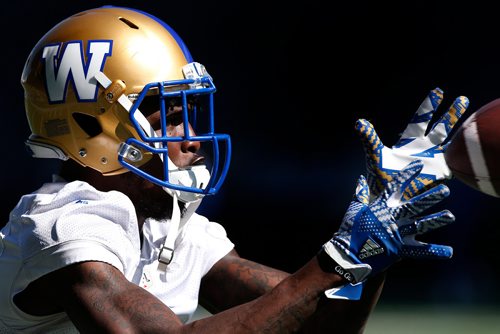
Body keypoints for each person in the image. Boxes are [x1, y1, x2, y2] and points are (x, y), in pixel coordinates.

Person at [0, 5, 467, 333]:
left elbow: (316, 322)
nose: (193, 139)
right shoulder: (62, 228)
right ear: (90, 127)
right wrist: (337, 260)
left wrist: (366, 261)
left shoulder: (169, 228)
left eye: (192, 114)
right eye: (173, 117)